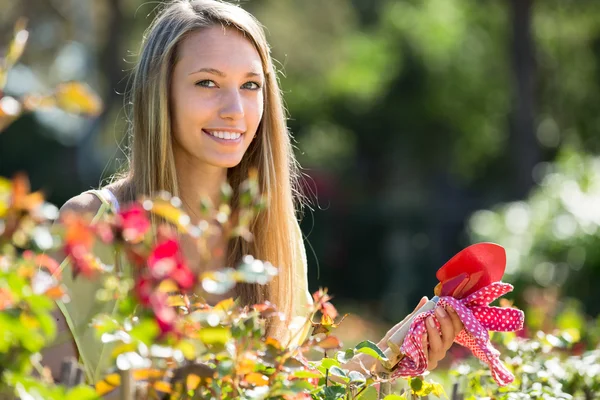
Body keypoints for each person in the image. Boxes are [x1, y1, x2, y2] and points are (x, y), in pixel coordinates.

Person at [45, 0, 463, 384]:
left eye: (250, 85)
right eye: (207, 83)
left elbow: (291, 389)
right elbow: (43, 388)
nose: (235, 109)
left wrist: (390, 351)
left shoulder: (274, 238)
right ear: (161, 93)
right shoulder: (94, 225)